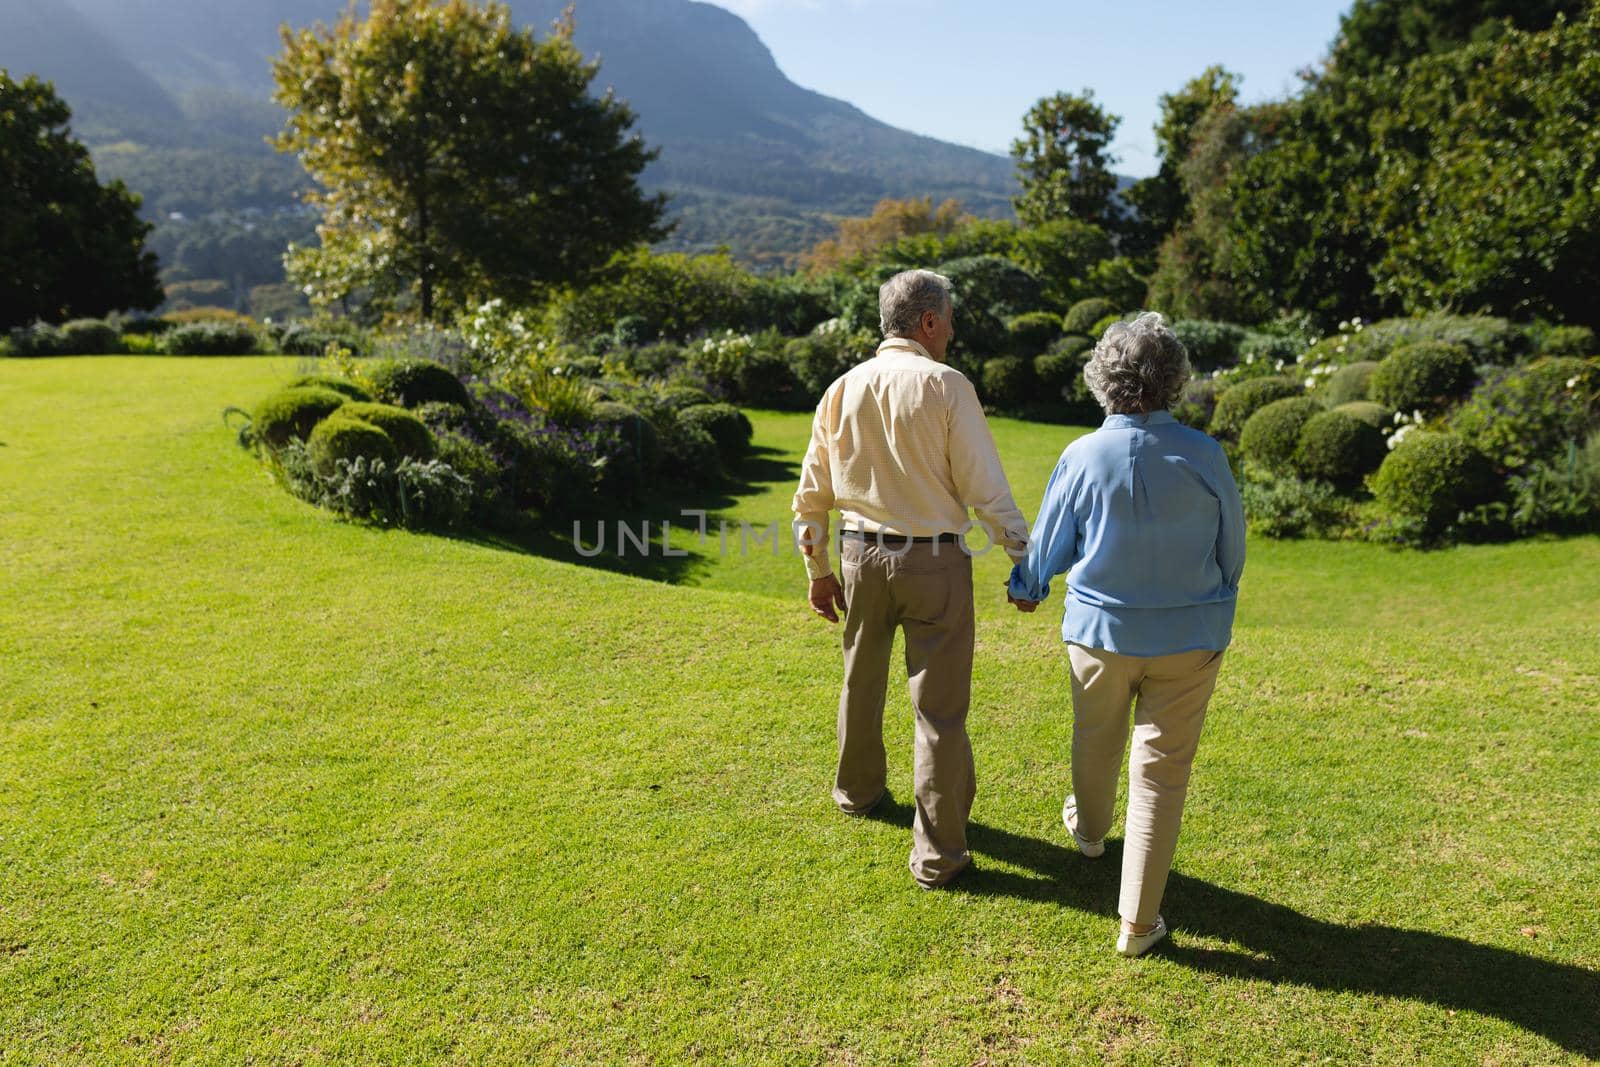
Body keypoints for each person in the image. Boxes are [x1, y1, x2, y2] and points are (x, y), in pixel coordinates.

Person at [1007, 312, 1245, 956]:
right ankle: (1138, 923)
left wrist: (1027, 588)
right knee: (1161, 775)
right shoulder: (1205, 454)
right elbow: (1233, 552)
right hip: (1190, 636)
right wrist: (1213, 598)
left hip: (1098, 633)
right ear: (1173, 380)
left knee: (1096, 736)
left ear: (1105, 379)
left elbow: (1051, 542)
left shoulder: (1082, 453)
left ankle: (1087, 832)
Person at [792, 269, 1030, 889]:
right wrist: (1022, 556)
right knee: (940, 713)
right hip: (933, 560)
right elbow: (986, 488)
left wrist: (817, 570)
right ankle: (938, 855)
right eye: (947, 319)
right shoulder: (947, 386)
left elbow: (810, 495)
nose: (951, 330)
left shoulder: (840, 389)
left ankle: (858, 791)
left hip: (857, 557)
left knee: (860, 681)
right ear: (927, 322)